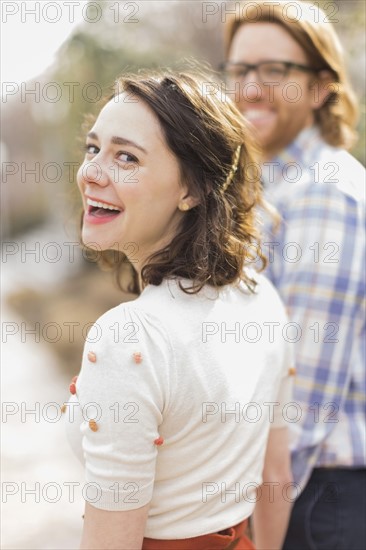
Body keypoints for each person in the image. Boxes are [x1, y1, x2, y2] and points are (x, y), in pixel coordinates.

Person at [64, 69, 294, 549]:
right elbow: (275, 480)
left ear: (191, 189)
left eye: (126, 156)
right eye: (94, 148)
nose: (91, 172)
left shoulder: (131, 337)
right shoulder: (262, 297)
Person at [222, 1, 366, 549]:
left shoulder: (323, 191)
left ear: (322, 86)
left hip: (316, 503)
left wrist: (256, 525)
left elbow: (304, 397)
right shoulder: (271, 187)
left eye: (275, 71)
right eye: (239, 71)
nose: (250, 88)